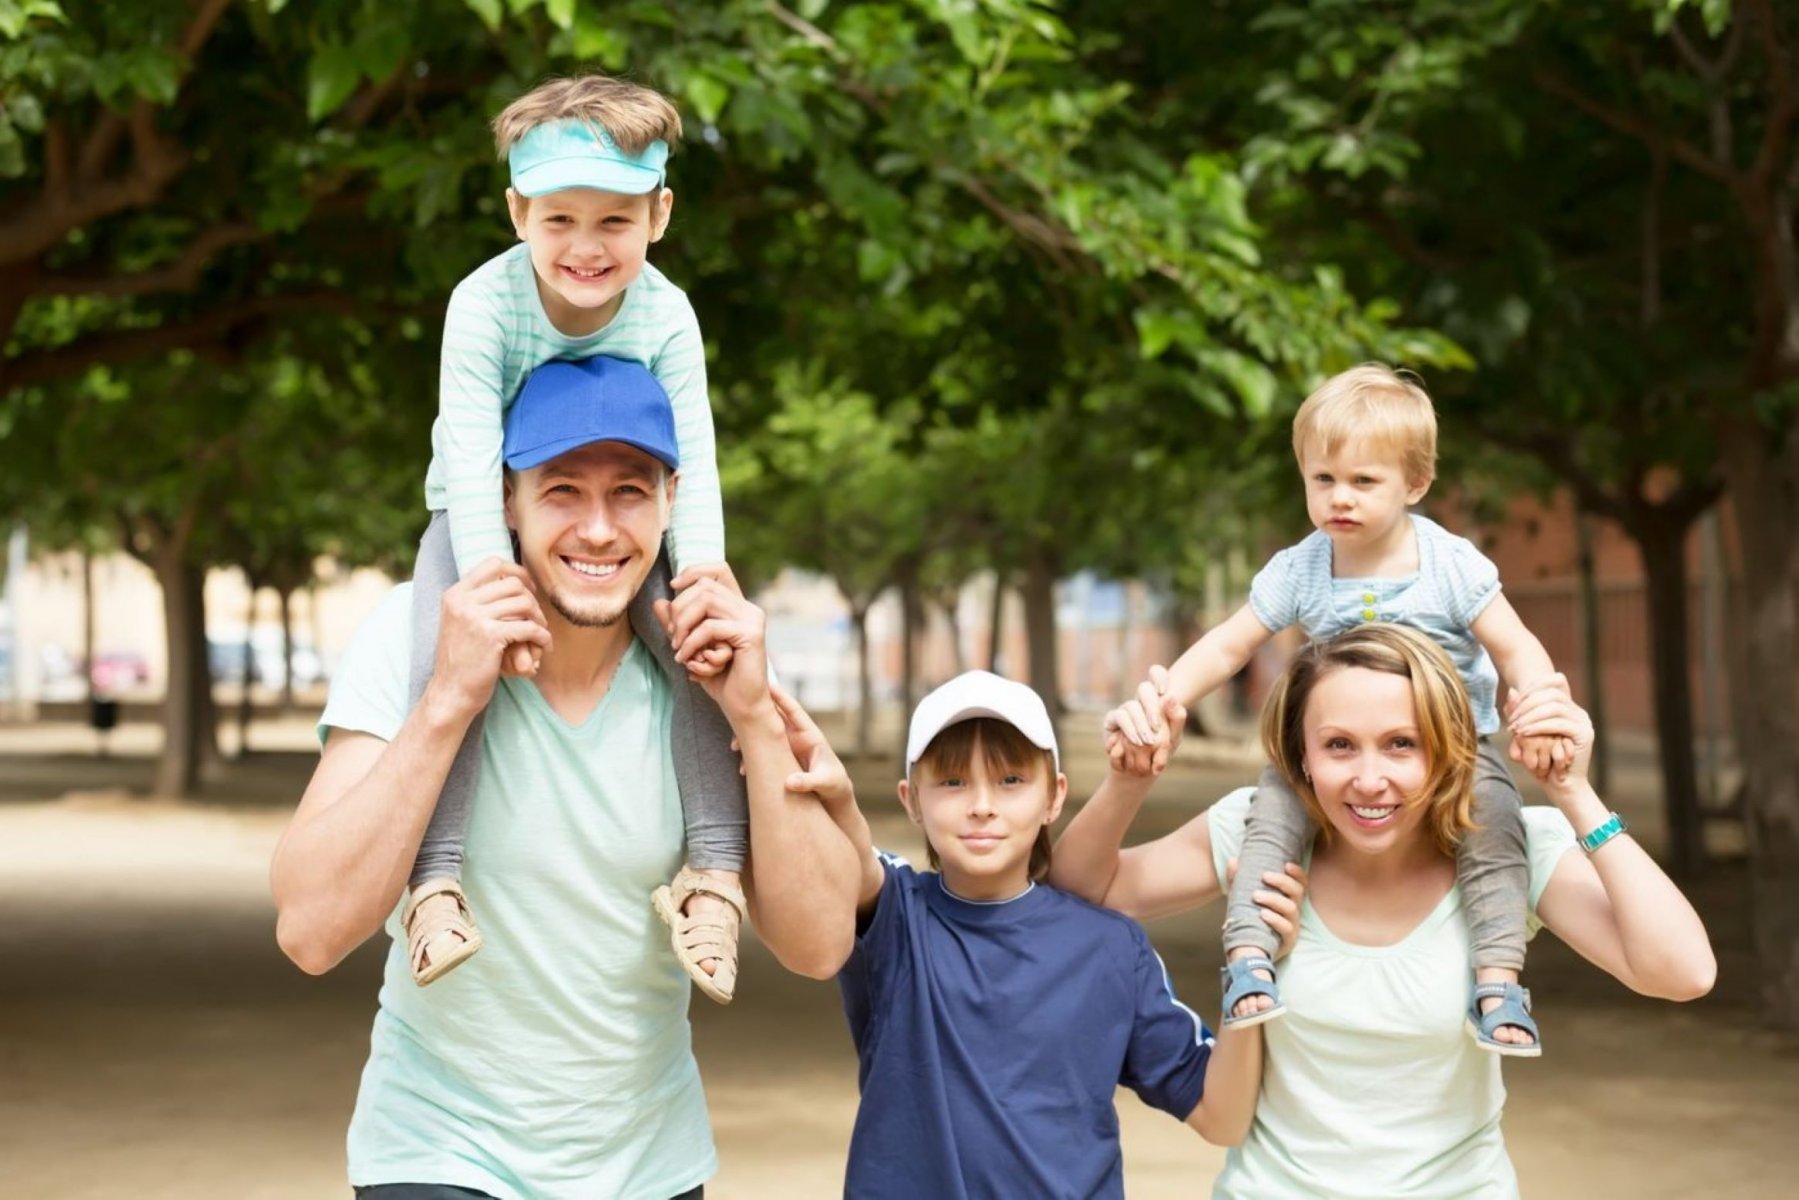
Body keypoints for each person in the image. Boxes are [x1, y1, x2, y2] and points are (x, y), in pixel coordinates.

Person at [269, 359, 859, 1200]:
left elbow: (818, 945)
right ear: (504, 499)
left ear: (670, 501)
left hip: (648, 1168)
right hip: (439, 1153)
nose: (596, 529)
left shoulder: (708, 668)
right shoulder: (411, 633)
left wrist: (755, 716)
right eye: (560, 491)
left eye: (628, 490)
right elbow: (310, 930)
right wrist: (447, 700)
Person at [1059, 624, 1715, 1198]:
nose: (1369, 779)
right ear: (1300, 756)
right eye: (1339, 745)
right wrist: (1129, 779)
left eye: (1401, 743)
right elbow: (1080, 889)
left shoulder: (1508, 853)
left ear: (1448, 748)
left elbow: (1680, 972)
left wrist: (1575, 796)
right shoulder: (1255, 836)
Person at [697, 661, 1297, 1199]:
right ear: (912, 800)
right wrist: (828, 788)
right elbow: (849, 861)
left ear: (1053, 796)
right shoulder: (896, 919)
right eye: (953, 782)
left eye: (1011, 781)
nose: (982, 805)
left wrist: (1250, 967)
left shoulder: (1110, 947)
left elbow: (1220, 1115)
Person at [407, 72, 748, 1001]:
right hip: (478, 510)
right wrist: (490, 589)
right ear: (518, 213)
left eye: (615, 221)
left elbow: (698, 460)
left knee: (703, 654)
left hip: (621, 512)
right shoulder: (482, 307)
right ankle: (432, 881)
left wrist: (706, 575)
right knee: (445, 662)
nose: (586, 247)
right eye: (560, 220)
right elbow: (475, 455)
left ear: (660, 214)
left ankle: (716, 875)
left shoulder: (667, 314)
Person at [1108, 363, 1566, 1054]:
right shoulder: (1301, 567)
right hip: (1333, 746)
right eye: (1321, 480)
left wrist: (1535, 699)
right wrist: (1163, 697)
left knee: (1495, 833)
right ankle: (1247, 963)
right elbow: (1229, 646)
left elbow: (1514, 644)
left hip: (1455, 748)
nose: (1338, 498)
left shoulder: (1449, 563)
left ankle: (1498, 981)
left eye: (1362, 481)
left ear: (1413, 484)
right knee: (1271, 821)